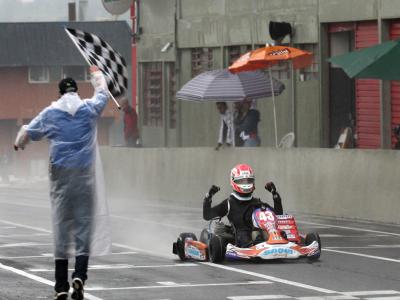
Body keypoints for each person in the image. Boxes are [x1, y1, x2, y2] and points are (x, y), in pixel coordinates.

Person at [14, 66, 112, 300]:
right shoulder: (89, 108)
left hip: (60, 178)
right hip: (84, 176)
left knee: (61, 229)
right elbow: (103, 93)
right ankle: (79, 275)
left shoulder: (50, 113)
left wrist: (19, 143)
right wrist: (96, 73)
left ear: (59, 94)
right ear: (77, 92)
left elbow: (29, 132)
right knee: (83, 228)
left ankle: (60, 286)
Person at [203, 164, 283, 248]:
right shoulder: (229, 203)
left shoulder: (258, 203)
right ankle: (255, 245)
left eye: (248, 181)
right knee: (245, 235)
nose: (246, 184)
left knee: (273, 232)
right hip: (240, 236)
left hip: (259, 233)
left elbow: (278, 215)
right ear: (234, 181)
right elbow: (207, 216)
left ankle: (276, 241)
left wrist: (275, 195)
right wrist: (208, 197)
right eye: (242, 181)